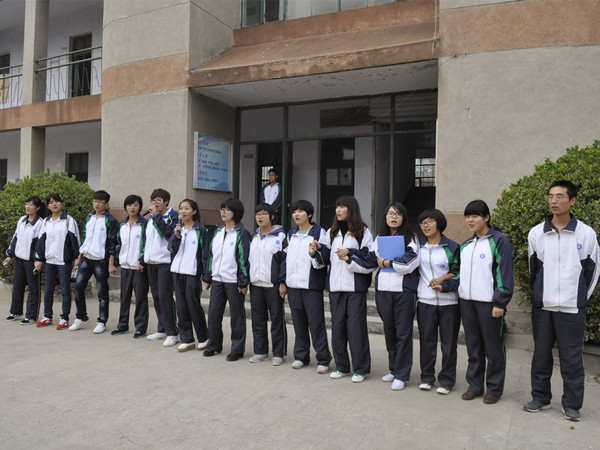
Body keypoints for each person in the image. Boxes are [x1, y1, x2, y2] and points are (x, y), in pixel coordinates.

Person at [523, 180, 600, 422]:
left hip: (571, 308)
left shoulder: (586, 234)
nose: (554, 201)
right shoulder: (536, 233)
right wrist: (540, 296)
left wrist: (578, 299)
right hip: (543, 307)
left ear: (572, 201)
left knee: (572, 359)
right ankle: (540, 397)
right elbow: (533, 270)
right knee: (541, 355)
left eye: (559, 196)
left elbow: (593, 272)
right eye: (550, 196)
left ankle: (572, 404)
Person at [352, 202, 420, 390]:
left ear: (403, 217)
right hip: (383, 291)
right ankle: (394, 369)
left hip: (404, 291)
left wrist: (388, 262)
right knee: (389, 331)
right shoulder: (380, 238)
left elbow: (410, 263)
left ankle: (402, 374)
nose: (393, 217)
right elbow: (370, 260)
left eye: (398, 214)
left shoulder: (410, 237)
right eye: (390, 213)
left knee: (403, 333)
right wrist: (349, 257)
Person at [459, 199, 514, 404]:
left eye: (475, 216)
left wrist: (500, 302)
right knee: (473, 346)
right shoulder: (466, 245)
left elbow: (504, 273)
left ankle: (494, 388)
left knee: (493, 347)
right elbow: (461, 275)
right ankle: (474, 386)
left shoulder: (499, 241)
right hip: (467, 302)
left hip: (489, 304)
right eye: (467, 216)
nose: (470, 220)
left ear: (487, 217)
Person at [317, 195, 373, 383]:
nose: (338, 210)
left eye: (342, 207)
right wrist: (317, 248)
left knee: (356, 330)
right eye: (337, 207)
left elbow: (368, 258)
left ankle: (360, 368)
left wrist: (350, 254)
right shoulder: (331, 232)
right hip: (336, 287)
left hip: (355, 288)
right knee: (338, 329)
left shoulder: (363, 232)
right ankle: (341, 366)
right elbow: (326, 258)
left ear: (352, 209)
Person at [417, 208, 461, 395]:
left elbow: (459, 272)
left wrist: (445, 285)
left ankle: (447, 381)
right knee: (426, 342)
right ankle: (427, 378)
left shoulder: (452, 247)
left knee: (449, 345)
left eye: (429, 222)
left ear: (439, 223)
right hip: (425, 302)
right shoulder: (418, 246)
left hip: (449, 304)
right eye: (422, 223)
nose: (425, 226)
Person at [285, 200, 332, 373]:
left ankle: (323, 359)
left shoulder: (319, 232)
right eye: (294, 212)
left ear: (309, 214)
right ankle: (301, 356)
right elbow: (286, 259)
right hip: (293, 285)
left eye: (300, 211)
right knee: (298, 323)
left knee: (316, 323)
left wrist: (315, 252)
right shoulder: (291, 234)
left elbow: (324, 259)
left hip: (311, 285)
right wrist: (284, 281)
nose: (296, 214)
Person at [202, 198, 250, 361]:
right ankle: (214, 345)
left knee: (237, 316)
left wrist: (243, 281)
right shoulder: (217, 232)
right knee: (213, 315)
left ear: (235, 213)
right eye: (222, 209)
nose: (223, 212)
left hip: (233, 282)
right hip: (217, 280)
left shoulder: (241, 233)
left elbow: (243, 259)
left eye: (227, 210)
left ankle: (237, 349)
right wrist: (208, 276)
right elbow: (211, 256)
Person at [70, 190, 119, 333]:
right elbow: (85, 237)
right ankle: (81, 317)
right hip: (86, 258)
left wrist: (111, 263)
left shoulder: (110, 220)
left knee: (102, 292)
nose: (97, 204)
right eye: (95, 201)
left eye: (100, 202)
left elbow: (113, 242)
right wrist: (79, 256)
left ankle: (102, 321)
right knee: (78, 287)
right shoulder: (89, 217)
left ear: (106, 204)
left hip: (101, 261)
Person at [168, 199, 210, 353]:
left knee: (193, 306)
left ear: (194, 211)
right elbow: (171, 249)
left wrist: (206, 275)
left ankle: (203, 338)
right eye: (181, 208)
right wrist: (176, 236)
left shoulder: (201, 230)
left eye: (186, 208)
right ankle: (187, 339)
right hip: (177, 272)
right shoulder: (177, 229)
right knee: (181, 307)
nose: (183, 211)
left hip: (192, 273)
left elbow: (206, 253)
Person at [248, 203, 287, 365]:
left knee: (277, 319)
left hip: (273, 285)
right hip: (255, 284)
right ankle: (261, 351)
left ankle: (278, 353)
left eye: (264, 214)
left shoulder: (281, 237)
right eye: (258, 214)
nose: (260, 217)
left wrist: (282, 282)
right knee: (258, 319)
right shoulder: (253, 236)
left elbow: (285, 262)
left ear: (271, 217)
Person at [34, 193, 81, 329]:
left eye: (56, 201)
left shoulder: (68, 220)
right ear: (48, 206)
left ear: (61, 203)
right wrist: (39, 259)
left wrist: (77, 257)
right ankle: (47, 316)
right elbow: (41, 241)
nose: (54, 204)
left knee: (65, 290)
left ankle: (64, 318)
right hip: (49, 260)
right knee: (48, 290)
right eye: (51, 202)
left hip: (63, 261)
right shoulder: (46, 221)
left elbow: (75, 240)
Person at [143, 188, 180, 347]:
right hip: (151, 262)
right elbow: (146, 240)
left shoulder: (173, 216)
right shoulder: (151, 218)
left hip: (165, 262)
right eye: (153, 200)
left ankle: (173, 332)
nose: (155, 203)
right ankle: (162, 329)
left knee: (165, 297)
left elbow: (168, 234)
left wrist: (157, 217)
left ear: (166, 202)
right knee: (157, 297)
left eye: (159, 200)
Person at [4, 196, 46, 324]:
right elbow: (15, 238)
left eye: (31, 205)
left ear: (37, 208)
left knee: (33, 289)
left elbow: (40, 243)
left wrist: (38, 259)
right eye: (26, 204)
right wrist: (10, 255)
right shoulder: (22, 220)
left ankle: (31, 316)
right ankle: (15, 312)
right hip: (19, 259)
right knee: (17, 287)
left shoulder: (40, 223)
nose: (28, 207)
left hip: (32, 261)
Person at [112, 194, 149, 339]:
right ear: (125, 207)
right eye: (129, 205)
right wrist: (116, 262)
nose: (132, 208)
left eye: (135, 205)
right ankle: (122, 325)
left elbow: (147, 244)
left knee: (140, 298)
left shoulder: (145, 224)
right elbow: (118, 244)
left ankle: (140, 328)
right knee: (124, 297)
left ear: (140, 207)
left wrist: (142, 261)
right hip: (125, 266)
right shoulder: (122, 224)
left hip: (139, 267)